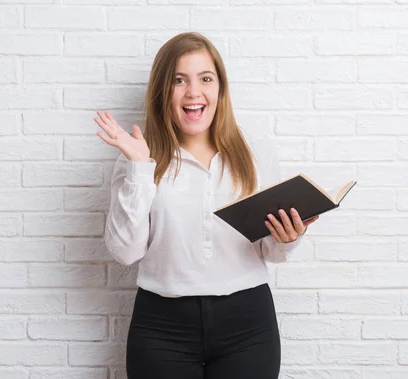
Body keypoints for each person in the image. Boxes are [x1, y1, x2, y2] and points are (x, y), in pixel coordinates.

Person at [94, 32, 319, 379]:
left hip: (248, 324)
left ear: (220, 89)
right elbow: (125, 252)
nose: (193, 92)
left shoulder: (256, 152)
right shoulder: (137, 158)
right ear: (162, 91)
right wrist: (141, 169)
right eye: (179, 80)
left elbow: (270, 252)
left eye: (205, 78)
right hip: (161, 328)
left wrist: (289, 237)